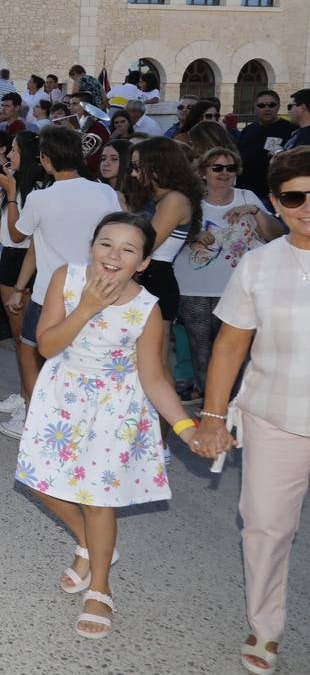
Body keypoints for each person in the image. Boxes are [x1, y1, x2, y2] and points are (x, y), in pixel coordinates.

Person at [15, 212, 201, 638]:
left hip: (115, 409)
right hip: (61, 401)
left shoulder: (146, 308)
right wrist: (88, 308)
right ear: (92, 247)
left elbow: (154, 377)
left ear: (143, 263)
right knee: (38, 483)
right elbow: (47, 345)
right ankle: (95, 543)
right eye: (106, 243)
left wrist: (186, 426)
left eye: (128, 249)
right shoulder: (67, 277)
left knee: (100, 501)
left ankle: (99, 585)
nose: (113, 255)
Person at [188, 147, 310, 673]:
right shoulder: (259, 264)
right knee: (265, 525)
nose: (307, 205)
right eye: (295, 196)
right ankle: (266, 626)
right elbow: (231, 345)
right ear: (278, 204)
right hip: (273, 415)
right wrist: (213, 418)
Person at [2, 124, 121, 385]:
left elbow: (16, 234)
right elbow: (38, 245)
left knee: (31, 352)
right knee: (80, 361)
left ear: (45, 159)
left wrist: (12, 195)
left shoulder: (39, 199)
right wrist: (20, 288)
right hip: (94, 291)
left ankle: (33, 415)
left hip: (49, 296)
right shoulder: (105, 192)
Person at [174, 147, 282, 401]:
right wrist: (193, 233)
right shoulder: (189, 201)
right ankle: (212, 405)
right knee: (200, 349)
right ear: (203, 172)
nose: (224, 173)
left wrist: (254, 212)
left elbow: (277, 235)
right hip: (194, 288)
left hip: (239, 289)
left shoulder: (247, 197)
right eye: (217, 168)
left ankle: (235, 402)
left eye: (230, 168)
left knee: (238, 349)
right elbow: (168, 237)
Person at [121, 137, 204, 404]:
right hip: (148, 277)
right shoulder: (159, 198)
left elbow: (146, 243)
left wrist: (122, 212)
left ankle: (163, 437)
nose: (133, 173)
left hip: (155, 279)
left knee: (156, 365)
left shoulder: (175, 200)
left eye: (137, 166)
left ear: (157, 165)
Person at [0, 131, 47, 437]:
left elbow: (19, 230)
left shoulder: (33, 189)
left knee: (26, 337)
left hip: (27, 259)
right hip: (10, 256)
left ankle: (30, 401)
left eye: (16, 152)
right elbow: (3, 229)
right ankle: (24, 393)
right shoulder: (15, 181)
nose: (9, 156)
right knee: (18, 334)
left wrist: (10, 192)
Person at [238, 89, 296, 207]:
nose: (267, 108)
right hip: (246, 192)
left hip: (272, 194)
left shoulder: (290, 130)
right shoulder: (248, 130)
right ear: (255, 108)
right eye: (262, 105)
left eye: (271, 105)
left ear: (278, 106)